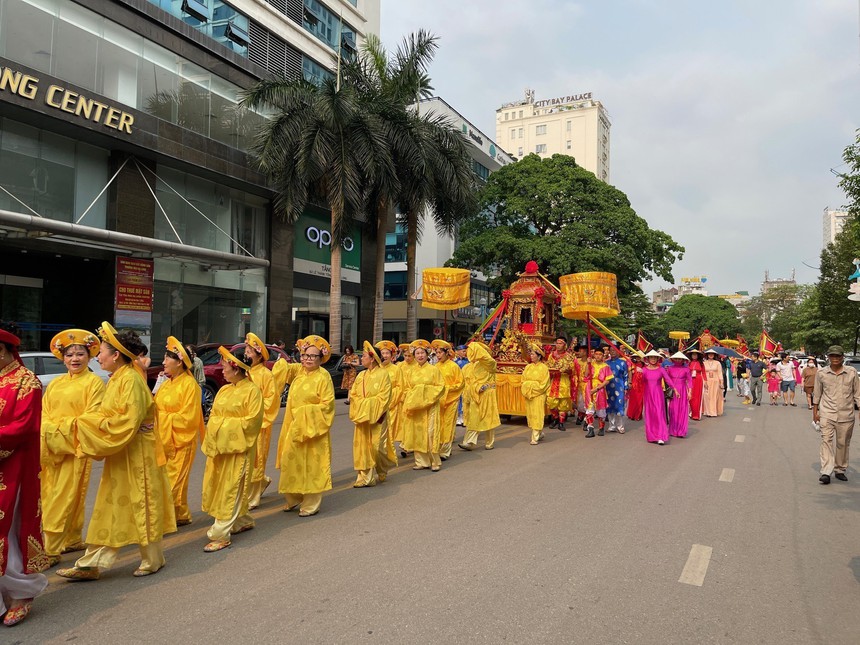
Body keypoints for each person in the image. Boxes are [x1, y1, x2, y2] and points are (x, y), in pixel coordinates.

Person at [57, 322, 175, 581]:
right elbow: (107, 414)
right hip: (122, 451)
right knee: (111, 505)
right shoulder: (119, 379)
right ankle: (92, 562)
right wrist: (89, 421)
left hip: (137, 453)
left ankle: (153, 558)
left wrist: (85, 424)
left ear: (116, 355)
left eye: (102, 352)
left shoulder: (130, 380)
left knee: (141, 502)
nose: (97, 356)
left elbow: (126, 422)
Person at [41, 329, 104, 567]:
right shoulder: (56, 384)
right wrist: (51, 433)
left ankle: (51, 548)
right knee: (50, 495)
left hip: (76, 447)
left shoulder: (94, 383)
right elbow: (44, 414)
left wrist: (61, 431)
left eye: (80, 354)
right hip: (52, 448)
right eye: (70, 355)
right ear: (63, 358)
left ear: (89, 357)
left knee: (65, 496)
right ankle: (72, 537)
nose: (75, 359)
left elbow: (92, 417)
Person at [0, 324, 49, 626]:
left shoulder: (26, 382)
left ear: (4, 350)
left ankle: (21, 591)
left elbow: (24, 428)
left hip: (14, 468)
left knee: (10, 529)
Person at [200, 347, 263, 551]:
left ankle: (220, 533)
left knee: (231, 488)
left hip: (238, 449)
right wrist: (220, 426)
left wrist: (222, 425)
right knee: (221, 486)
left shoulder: (252, 391)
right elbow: (214, 416)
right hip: (221, 448)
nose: (222, 370)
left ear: (236, 369)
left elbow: (252, 422)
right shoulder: (224, 389)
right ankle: (242, 520)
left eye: (225, 367)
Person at [276, 335, 335, 516]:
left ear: (320, 358)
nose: (307, 359)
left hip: (312, 428)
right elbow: (282, 369)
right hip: (293, 426)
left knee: (312, 465)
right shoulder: (299, 372)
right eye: (304, 355)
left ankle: (310, 503)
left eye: (312, 356)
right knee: (291, 461)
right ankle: (294, 497)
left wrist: (304, 413)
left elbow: (327, 406)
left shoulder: (323, 377)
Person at [155, 336, 204, 527]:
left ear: (180, 362)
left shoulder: (190, 385)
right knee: (166, 479)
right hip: (163, 439)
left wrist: (163, 419)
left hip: (181, 440)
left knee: (173, 482)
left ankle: (164, 520)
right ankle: (180, 513)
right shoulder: (166, 383)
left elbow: (189, 418)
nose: (163, 362)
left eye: (168, 359)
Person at [812, 345, 860, 485]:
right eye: (832, 356)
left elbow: (857, 393)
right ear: (828, 357)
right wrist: (815, 413)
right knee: (826, 440)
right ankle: (826, 471)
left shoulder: (851, 373)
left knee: (843, 443)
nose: (835, 359)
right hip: (827, 412)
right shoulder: (822, 374)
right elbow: (817, 394)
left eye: (837, 356)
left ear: (842, 357)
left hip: (846, 414)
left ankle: (839, 469)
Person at [349, 342, 392, 487]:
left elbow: (384, 397)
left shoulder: (383, 374)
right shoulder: (361, 375)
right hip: (362, 416)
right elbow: (353, 395)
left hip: (378, 416)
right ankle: (364, 477)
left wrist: (368, 406)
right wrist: (360, 405)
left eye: (364, 356)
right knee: (361, 447)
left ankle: (382, 467)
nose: (361, 359)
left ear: (372, 358)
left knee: (377, 447)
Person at [401, 340, 447, 471]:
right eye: (417, 353)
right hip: (416, 407)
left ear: (427, 355)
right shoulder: (410, 372)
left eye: (422, 353)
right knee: (418, 433)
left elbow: (441, 387)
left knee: (431, 433)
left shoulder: (434, 370)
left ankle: (434, 461)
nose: (420, 356)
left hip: (430, 405)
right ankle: (421, 461)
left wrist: (425, 394)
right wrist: (413, 397)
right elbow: (406, 388)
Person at [244, 333, 277, 510]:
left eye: (250, 351)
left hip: (260, 423)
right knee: (246, 458)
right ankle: (262, 481)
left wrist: (256, 415)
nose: (246, 354)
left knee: (257, 459)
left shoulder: (266, 375)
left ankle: (253, 496)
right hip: (244, 423)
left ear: (259, 355)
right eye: (246, 350)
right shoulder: (244, 371)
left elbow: (271, 400)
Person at [459, 342, 501, 451]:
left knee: (488, 419)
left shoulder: (489, 364)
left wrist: (476, 347)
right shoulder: (468, 367)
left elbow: (489, 361)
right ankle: (469, 442)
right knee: (474, 418)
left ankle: (489, 441)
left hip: (487, 394)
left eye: (472, 351)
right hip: (474, 394)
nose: (469, 353)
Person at [431, 340, 464, 460]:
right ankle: (438, 446)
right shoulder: (435, 367)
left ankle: (445, 450)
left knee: (448, 424)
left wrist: (447, 389)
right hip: (438, 400)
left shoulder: (454, 366)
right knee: (438, 424)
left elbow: (460, 384)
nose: (438, 355)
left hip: (451, 400)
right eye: (437, 353)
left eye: (440, 352)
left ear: (447, 353)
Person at [642, 350, 673, 445]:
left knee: (659, 414)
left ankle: (661, 436)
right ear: (648, 359)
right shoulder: (644, 370)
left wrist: (674, 389)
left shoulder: (661, 369)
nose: (653, 359)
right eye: (651, 357)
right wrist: (638, 373)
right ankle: (652, 436)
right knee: (650, 415)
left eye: (655, 357)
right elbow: (641, 382)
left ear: (657, 359)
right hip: (648, 395)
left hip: (658, 395)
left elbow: (668, 380)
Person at [521, 343, 550, 445]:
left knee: (538, 414)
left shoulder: (544, 368)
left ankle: (535, 437)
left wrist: (532, 387)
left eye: (533, 354)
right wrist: (528, 387)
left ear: (539, 356)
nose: (531, 356)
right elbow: (523, 381)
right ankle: (539, 432)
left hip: (538, 395)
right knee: (531, 415)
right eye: (531, 354)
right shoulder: (528, 367)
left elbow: (544, 384)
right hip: (529, 395)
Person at [584, 347, 613, 438]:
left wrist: (597, 388)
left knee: (601, 410)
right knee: (589, 408)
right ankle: (591, 428)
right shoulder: (590, 364)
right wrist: (588, 364)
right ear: (594, 355)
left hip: (600, 389)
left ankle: (601, 427)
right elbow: (586, 375)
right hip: (589, 387)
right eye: (596, 354)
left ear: (603, 355)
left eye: (600, 354)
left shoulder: (606, 366)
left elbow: (607, 380)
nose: (598, 356)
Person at [546, 337, 573, 431]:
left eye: (560, 343)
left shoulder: (568, 356)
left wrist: (566, 370)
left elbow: (571, 370)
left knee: (563, 403)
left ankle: (561, 422)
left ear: (564, 345)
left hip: (563, 381)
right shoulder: (551, 355)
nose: (558, 345)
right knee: (551, 402)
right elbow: (548, 366)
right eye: (557, 343)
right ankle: (556, 419)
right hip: (553, 380)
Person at [396, 343, 416, 456]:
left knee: (411, 422)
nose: (407, 358)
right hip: (401, 398)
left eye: (410, 356)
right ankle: (405, 444)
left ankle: (409, 445)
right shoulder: (399, 366)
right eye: (406, 355)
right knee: (403, 422)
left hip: (412, 398)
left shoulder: (417, 367)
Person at [666, 352, 692, 438]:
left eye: (679, 359)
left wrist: (690, 391)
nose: (678, 360)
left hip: (683, 391)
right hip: (673, 391)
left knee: (682, 410)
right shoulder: (669, 368)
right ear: (673, 359)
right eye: (676, 358)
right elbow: (667, 380)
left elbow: (690, 381)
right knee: (673, 410)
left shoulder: (686, 369)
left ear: (683, 360)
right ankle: (673, 430)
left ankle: (681, 431)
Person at [605, 345, 629, 434]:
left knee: (619, 406)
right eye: (611, 350)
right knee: (610, 407)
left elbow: (626, 376)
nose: (613, 352)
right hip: (608, 387)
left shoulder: (623, 363)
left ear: (618, 351)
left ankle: (620, 426)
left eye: (614, 350)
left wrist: (626, 387)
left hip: (619, 387)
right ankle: (612, 426)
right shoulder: (606, 363)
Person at [702, 349, 724, 417]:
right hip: (706, 381)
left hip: (715, 381)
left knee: (714, 396)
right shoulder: (704, 363)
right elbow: (702, 373)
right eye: (709, 354)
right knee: (706, 396)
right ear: (707, 355)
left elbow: (720, 373)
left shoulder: (717, 363)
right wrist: (704, 381)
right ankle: (707, 411)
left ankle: (713, 412)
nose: (711, 355)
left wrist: (721, 382)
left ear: (714, 355)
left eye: (712, 354)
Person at [573, 344, 590, 426]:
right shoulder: (576, 361)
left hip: (586, 384)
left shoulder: (590, 362)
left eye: (581, 351)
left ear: (586, 352)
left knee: (586, 401)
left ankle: (587, 418)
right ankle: (580, 415)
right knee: (579, 401)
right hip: (578, 383)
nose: (579, 352)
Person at [626, 352, 645, 421]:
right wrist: (630, 382)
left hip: (642, 385)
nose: (638, 358)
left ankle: (638, 415)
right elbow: (630, 374)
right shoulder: (633, 365)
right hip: (634, 384)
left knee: (640, 400)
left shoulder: (645, 366)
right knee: (633, 400)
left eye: (639, 357)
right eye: (636, 357)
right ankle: (631, 414)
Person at [687, 349, 706, 420]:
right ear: (691, 356)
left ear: (698, 356)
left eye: (695, 354)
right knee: (690, 397)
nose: (694, 356)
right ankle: (691, 412)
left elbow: (703, 373)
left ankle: (696, 415)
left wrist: (705, 381)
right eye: (693, 354)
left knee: (697, 397)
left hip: (698, 381)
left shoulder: (701, 363)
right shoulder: (689, 363)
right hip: (690, 381)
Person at [454, 345, 469, 426]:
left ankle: (464, 417)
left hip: (466, 383)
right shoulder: (455, 363)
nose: (464, 353)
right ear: (458, 352)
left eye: (465, 351)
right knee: (458, 400)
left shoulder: (468, 361)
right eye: (463, 351)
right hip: (458, 383)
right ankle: (458, 417)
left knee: (465, 400)